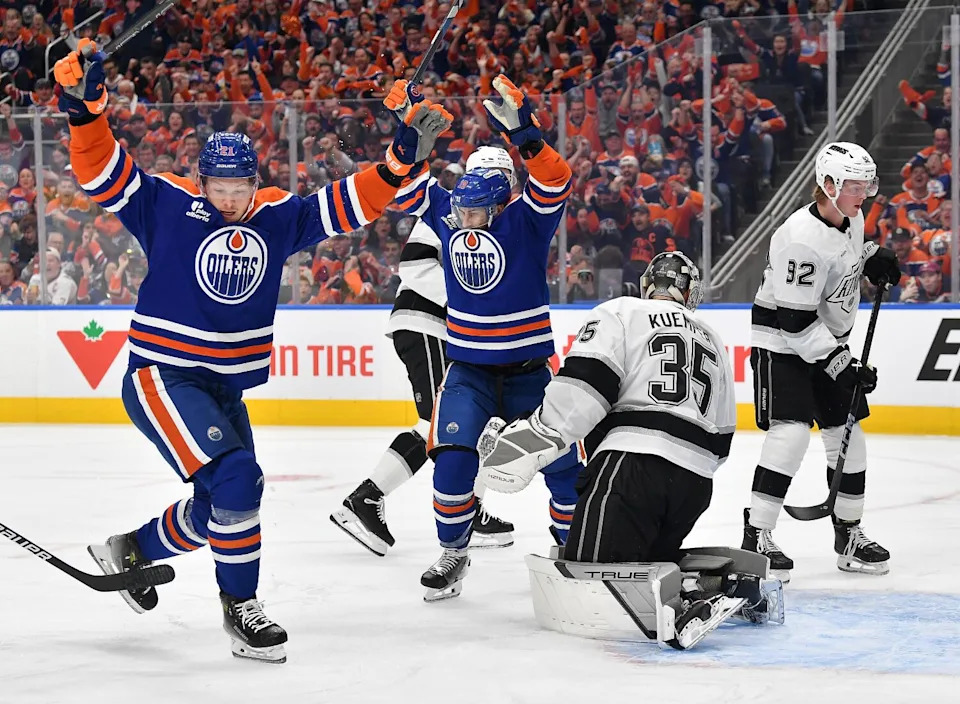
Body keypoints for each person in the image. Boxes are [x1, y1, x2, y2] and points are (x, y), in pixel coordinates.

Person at [55, 40, 452, 662]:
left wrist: (400, 160)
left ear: (254, 183)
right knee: (239, 478)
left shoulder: (275, 217)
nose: (231, 197)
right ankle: (241, 608)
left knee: (225, 499)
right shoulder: (165, 204)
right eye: (220, 184)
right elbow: (101, 169)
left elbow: (349, 202)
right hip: (162, 375)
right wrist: (86, 112)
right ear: (202, 179)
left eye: (241, 185)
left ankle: (131, 550)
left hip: (223, 386)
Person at [477, 253, 776, 649]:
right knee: (643, 562)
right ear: (688, 292)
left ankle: (685, 603)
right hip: (695, 483)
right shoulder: (711, 337)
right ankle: (728, 583)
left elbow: (584, 389)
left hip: (630, 469)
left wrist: (532, 442)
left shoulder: (621, 311)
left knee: (591, 575)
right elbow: (722, 434)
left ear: (647, 284)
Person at [388, 76, 583, 601]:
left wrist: (524, 131)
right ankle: (454, 551)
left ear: (498, 208)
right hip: (469, 370)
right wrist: (405, 134)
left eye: (474, 214)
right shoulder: (451, 215)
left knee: (566, 465)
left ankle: (572, 549)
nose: (463, 221)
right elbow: (402, 183)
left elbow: (556, 181)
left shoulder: (526, 222)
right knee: (452, 459)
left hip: (528, 372)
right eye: (460, 213)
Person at [331, 147, 519, 557]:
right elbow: (417, 272)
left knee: (464, 421)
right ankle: (367, 499)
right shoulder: (458, 210)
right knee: (447, 424)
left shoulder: (479, 213)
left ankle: (464, 508)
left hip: (435, 327)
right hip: (429, 322)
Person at [744, 142, 901, 582]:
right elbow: (794, 322)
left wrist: (871, 257)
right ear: (828, 185)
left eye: (866, 184)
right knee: (791, 433)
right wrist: (840, 363)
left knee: (848, 433)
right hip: (781, 343)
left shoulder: (851, 217)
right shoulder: (799, 241)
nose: (863, 193)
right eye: (853, 185)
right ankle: (757, 533)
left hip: (824, 338)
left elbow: (843, 258)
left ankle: (848, 534)